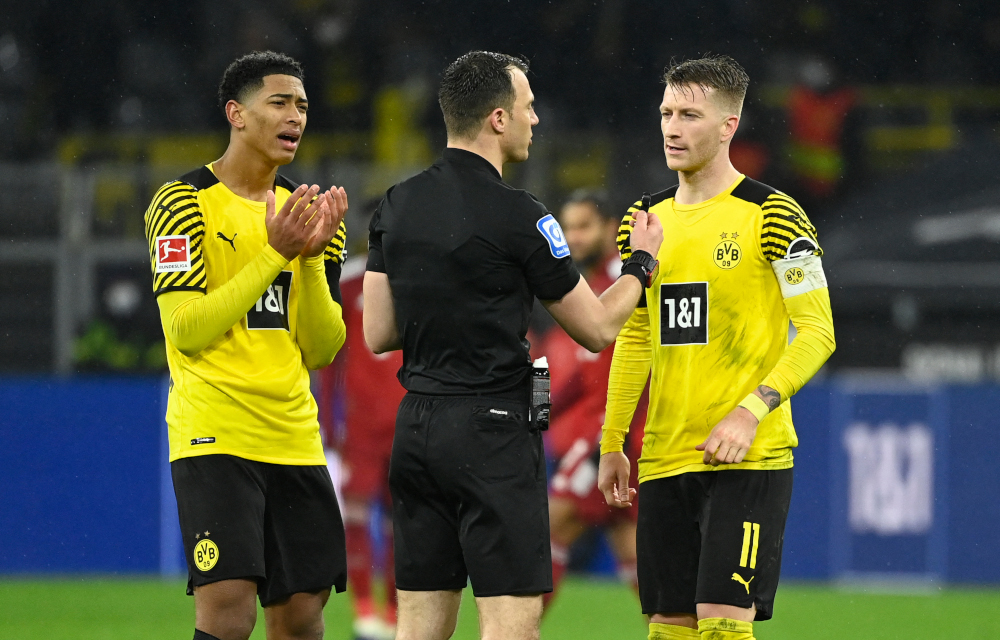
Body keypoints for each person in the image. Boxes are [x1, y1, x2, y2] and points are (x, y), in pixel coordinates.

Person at [363, 51, 663, 640]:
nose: (535, 120)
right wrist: (641, 264)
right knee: (510, 625)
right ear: (497, 118)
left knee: (420, 624)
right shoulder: (521, 216)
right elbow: (598, 329)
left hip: (418, 428)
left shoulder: (396, 204)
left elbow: (379, 333)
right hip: (493, 434)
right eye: (528, 108)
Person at [597, 55, 836, 640]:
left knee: (724, 627)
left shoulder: (774, 214)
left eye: (689, 115)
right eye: (666, 113)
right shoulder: (642, 221)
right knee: (668, 628)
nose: (672, 128)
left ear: (729, 126)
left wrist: (751, 411)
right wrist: (611, 441)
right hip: (663, 455)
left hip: (747, 458)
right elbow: (636, 335)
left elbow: (818, 332)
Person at [143, 51, 350, 640]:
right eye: (279, 102)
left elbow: (322, 347)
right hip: (215, 433)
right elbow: (185, 328)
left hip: (293, 436)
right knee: (230, 610)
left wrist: (309, 261)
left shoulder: (306, 216)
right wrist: (276, 254)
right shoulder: (182, 202)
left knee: (302, 616)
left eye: (303, 106)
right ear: (236, 113)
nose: (296, 117)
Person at [536, 190, 648, 612]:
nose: (573, 237)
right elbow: (584, 378)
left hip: (614, 439)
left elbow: (646, 363)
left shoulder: (627, 280)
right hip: (614, 437)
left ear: (609, 227)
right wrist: (537, 414)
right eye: (567, 228)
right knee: (630, 548)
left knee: (547, 530)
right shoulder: (592, 287)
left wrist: (616, 436)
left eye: (583, 226)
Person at [318, 208, 406, 640]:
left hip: (409, 425)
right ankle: (364, 609)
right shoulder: (349, 282)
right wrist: (329, 426)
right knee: (354, 518)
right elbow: (331, 361)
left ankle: (393, 612)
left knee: (402, 523)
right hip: (361, 428)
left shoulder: (420, 277)